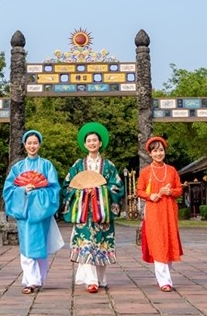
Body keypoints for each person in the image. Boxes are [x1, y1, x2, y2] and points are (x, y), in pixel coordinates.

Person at [62, 122, 125, 293]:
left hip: (102, 213)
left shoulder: (109, 166)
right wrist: (82, 192)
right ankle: (91, 281)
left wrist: (99, 191)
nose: (92, 143)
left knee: (102, 243)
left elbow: (117, 187)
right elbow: (68, 186)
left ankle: (101, 278)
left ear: (100, 143)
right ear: (84, 144)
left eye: (94, 140)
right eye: (88, 140)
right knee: (87, 244)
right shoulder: (78, 165)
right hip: (84, 213)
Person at [2, 130, 64, 294]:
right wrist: (23, 189)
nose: (32, 146)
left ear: (40, 145)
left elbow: (54, 189)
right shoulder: (18, 167)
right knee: (27, 246)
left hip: (41, 213)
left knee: (40, 247)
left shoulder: (47, 165)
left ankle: (39, 279)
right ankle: (31, 281)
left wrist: (36, 192)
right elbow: (9, 189)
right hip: (25, 213)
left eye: (35, 143)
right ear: (24, 145)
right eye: (29, 143)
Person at [136, 136, 183, 292]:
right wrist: (151, 196)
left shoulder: (171, 170)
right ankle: (165, 281)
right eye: (155, 151)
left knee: (168, 242)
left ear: (165, 152)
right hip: (154, 211)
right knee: (158, 242)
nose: (158, 154)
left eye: (161, 150)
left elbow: (179, 189)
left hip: (169, 211)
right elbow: (139, 191)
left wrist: (171, 191)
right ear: (150, 154)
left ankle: (162, 276)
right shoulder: (146, 172)